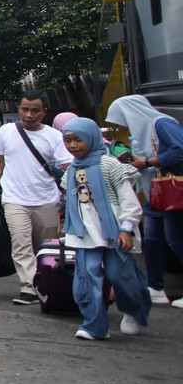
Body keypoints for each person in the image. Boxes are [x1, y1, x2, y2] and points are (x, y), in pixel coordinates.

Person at [59, 117, 152, 339]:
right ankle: (94, 325)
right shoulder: (72, 170)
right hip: (84, 231)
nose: (73, 146)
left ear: (91, 138)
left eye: (78, 140)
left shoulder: (110, 165)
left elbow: (128, 200)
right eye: (68, 140)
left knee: (120, 274)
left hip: (114, 229)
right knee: (86, 275)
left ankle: (133, 310)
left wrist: (127, 229)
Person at [0, 90, 72, 305]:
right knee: (21, 242)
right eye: (25, 109)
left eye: (35, 111)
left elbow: (67, 166)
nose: (29, 115)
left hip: (46, 199)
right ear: (18, 109)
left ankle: (46, 282)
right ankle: (28, 287)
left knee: (45, 245)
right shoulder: (7, 131)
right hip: (14, 199)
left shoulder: (54, 136)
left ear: (44, 112)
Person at [105, 95, 183, 309]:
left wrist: (148, 162)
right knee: (152, 241)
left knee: (176, 240)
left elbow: (180, 150)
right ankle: (155, 287)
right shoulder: (139, 132)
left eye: (121, 118)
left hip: (171, 192)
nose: (121, 124)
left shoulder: (161, 123)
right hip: (155, 194)